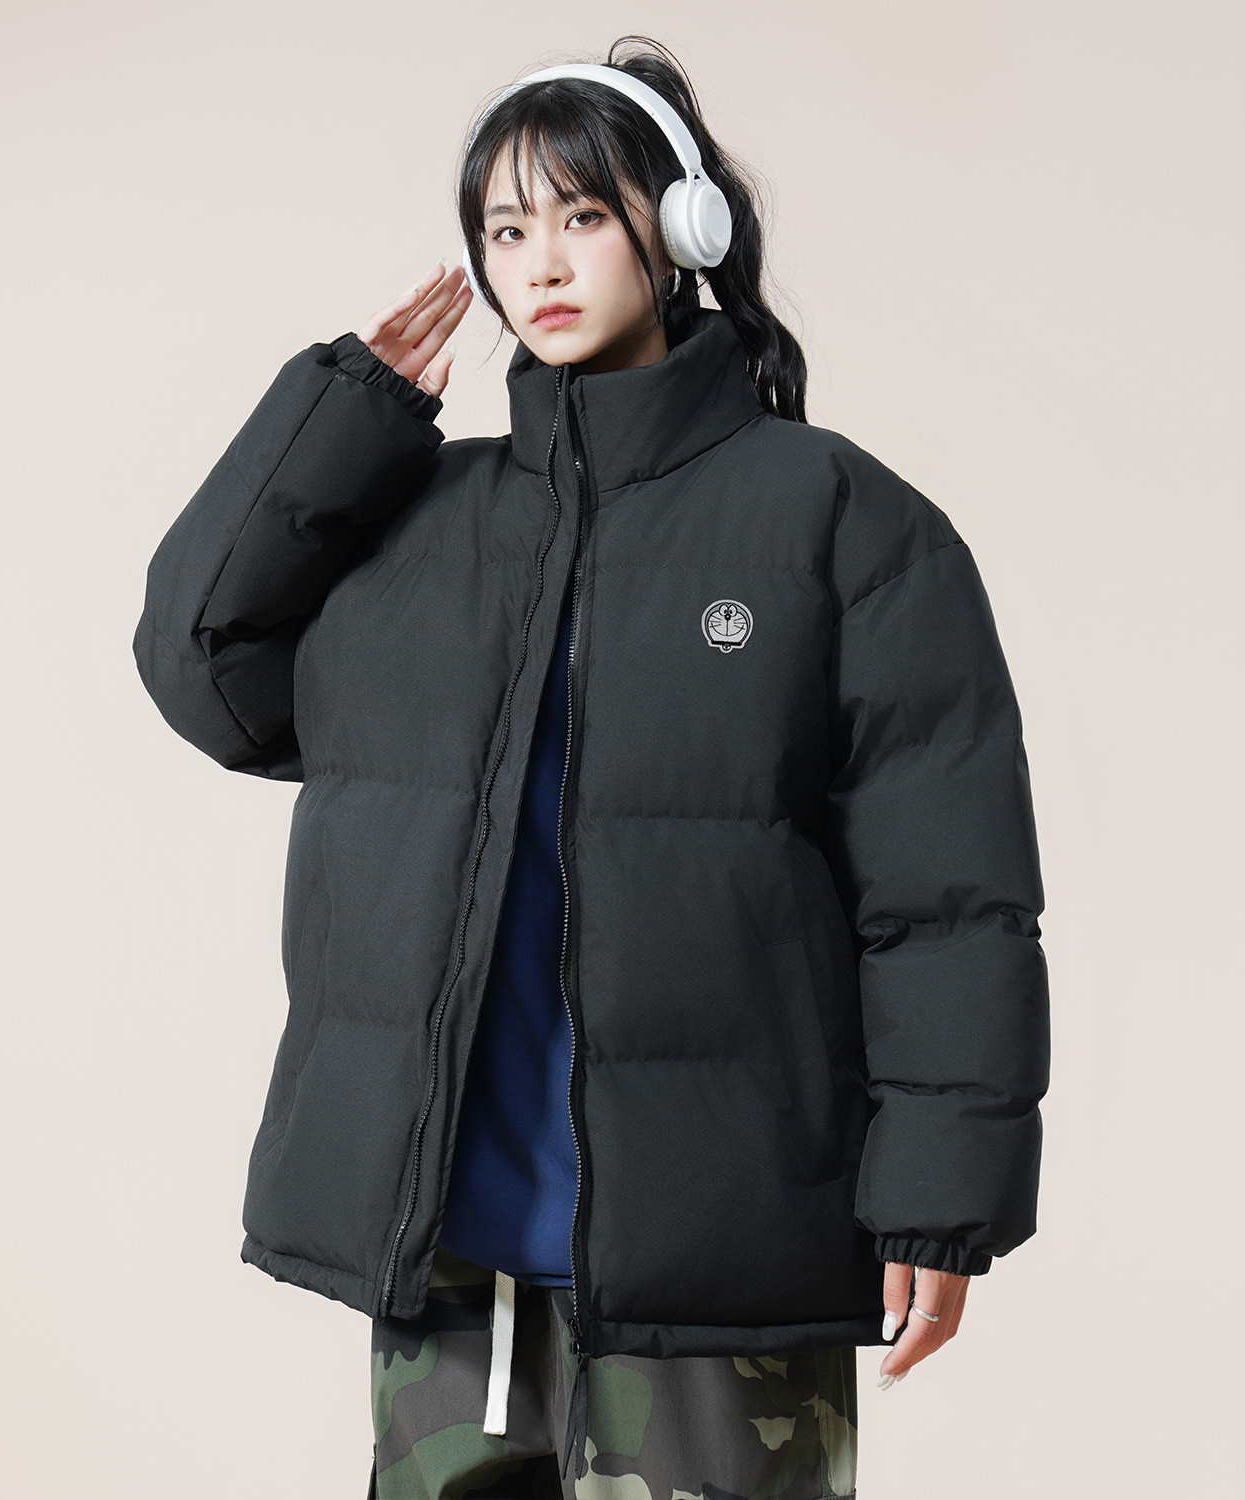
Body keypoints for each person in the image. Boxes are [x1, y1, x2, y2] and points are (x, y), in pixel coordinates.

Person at [132, 35, 1050, 1500]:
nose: (540, 263)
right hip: (453, 1253)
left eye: (580, 216)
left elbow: (947, 900)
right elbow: (205, 668)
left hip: (719, 1252)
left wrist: (942, 1202)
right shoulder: (419, 524)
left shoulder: (841, 522)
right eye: (506, 231)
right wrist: (342, 422)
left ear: (681, 231)